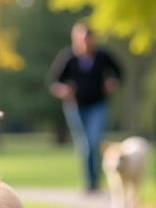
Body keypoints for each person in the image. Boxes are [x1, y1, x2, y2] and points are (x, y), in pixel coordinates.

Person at [48, 23, 122, 191]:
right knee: (85, 144)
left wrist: (113, 82)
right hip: (76, 107)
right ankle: (91, 182)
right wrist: (63, 90)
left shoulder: (102, 56)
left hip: (98, 105)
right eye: (81, 40)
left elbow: (118, 72)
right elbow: (53, 82)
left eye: (88, 40)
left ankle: (96, 179)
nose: (85, 44)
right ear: (76, 41)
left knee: (95, 140)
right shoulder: (69, 58)